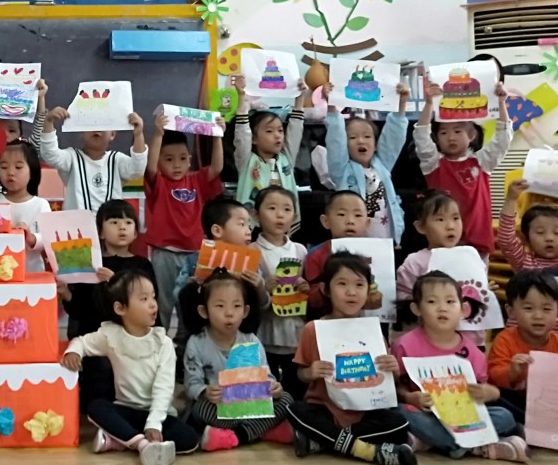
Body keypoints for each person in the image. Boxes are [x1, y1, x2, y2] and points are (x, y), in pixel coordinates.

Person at [287, 254, 417, 465]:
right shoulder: (313, 329)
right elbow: (300, 374)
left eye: (359, 284)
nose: (351, 292)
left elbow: (388, 381)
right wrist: (310, 372)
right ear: (326, 289)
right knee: (295, 410)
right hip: (325, 409)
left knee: (399, 422)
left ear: (368, 290)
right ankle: (370, 451)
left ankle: (323, 441)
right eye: (342, 284)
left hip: (365, 411)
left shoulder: (373, 330)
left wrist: (393, 369)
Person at [61, 269, 197, 465]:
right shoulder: (110, 335)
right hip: (126, 410)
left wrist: (154, 424)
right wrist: (73, 352)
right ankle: (142, 445)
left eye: (153, 297)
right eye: (144, 299)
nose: (153, 304)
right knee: (96, 407)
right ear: (120, 308)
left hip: (158, 414)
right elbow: (82, 342)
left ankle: (120, 440)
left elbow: (164, 388)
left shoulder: (163, 343)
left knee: (189, 439)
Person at [393, 271, 527, 462]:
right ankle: (476, 446)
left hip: (463, 417)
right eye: (432, 302)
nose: (442, 308)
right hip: (426, 413)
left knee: (505, 416)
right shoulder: (403, 345)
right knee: (400, 412)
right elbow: (395, 388)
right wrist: (410, 397)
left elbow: (484, 391)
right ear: (416, 308)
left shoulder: (473, 353)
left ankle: (435, 442)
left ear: (463, 309)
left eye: (450, 302)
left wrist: (490, 393)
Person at [60, 200, 159, 412]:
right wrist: (66, 293)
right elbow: (79, 310)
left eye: (128, 222)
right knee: (97, 383)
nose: (122, 227)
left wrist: (117, 283)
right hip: (97, 340)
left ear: (135, 232)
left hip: (132, 339)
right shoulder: (90, 265)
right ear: (100, 232)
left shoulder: (142, 265)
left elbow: (149, 305)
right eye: (114, 222)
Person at [183, 269, 293, 452]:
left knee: (286, 399)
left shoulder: (250, 340)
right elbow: (191, 384)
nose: (229, 313)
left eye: (236, 306)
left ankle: (236, 436)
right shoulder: (197, 343)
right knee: (200, 410)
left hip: (250, 404)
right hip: (218, 406)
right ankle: (261, 430)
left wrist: (274, 387)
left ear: (245, 311)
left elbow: (266, 375)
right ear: (204, 311)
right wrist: (205, 392)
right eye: (220, 306)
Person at [413, 78, 510, 256]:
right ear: (436, 138)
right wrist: (429, 104)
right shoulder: (433, 164)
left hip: (478, 244)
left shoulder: (482, 162)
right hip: (441, 244)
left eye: (457, 131)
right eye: (443, 132)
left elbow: (502, 141)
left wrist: (501, 104)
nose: (451, 137)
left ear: (472, 135)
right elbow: (421, 137)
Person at [144, 110, 223, 329]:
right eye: (169, 160)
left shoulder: (197, 180)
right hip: (165, 253)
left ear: (190, 160)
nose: (176, 165)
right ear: (160, 162)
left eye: (182, 159)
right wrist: (158, 135)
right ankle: (160, 338)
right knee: (163, 301)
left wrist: (217, 136)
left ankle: (185, 341)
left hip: (195, 254)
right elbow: (150, 167)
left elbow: (217, 167)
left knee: (190, 303)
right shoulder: (158, 183)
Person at [498, 178, 558, 351]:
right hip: (529, 341)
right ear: (526, 239)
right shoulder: (524, 262)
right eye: (540, 232)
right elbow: (506, 239)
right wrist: (511, 199)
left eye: (557, 232)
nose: (549, 238)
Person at [395, 191, 486, 348]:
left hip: (471, 341)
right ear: (420, 227)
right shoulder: (415, 262)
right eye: (440, 219)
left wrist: (486, 291)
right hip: (430, 343)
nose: (450, 226)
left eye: (455, 218)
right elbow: (404, 303)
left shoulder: (471, 255)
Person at [323, 82, 410, 243]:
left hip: (386, 240)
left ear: (376, 144)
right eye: (353, 137)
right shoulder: (342, 169)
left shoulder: (382, 165)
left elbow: (394, 137)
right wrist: (332, 105)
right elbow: (335, 139)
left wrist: (401, 104)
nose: (361, 141)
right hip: (353, 242)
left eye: (367, 136)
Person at [488, 271, 558, 423]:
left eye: (546, 309)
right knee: (498, 400)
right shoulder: (504, 339)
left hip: (553, 404)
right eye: (528, 308)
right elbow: (493, 375)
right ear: (511, 311)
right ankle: (520, 426)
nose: (538, 316)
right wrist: (512, 371)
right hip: (517, 402)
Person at [38, 103, 147, 213]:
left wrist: (138, 135)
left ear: (112, 134)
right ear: (81, 132)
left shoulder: (116, 160)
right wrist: (48, 121)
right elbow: (50, 155)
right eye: (91, 124)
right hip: (77, 222)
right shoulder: (71, 158)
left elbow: (137, 169)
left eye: (103, 124)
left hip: (109, 222)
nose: (97, 128)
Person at [253, 186, 308, 400]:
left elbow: (308, 292)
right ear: (256, 215)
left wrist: (305, 287)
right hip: (267, 328)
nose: (280, 215)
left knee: (296, 385)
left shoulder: (300, 250)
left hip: (295, 330)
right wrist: (263, 286)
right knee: (270, 385)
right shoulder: (252, 251)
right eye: (272, 208)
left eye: (287, 209)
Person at [173, 197, 254, 328]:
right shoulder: (193, 261)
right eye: (241, 224)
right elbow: (177, 296)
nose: (248, 231)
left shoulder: (250, 262)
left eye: (249, 226)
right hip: (200, 332)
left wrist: (259, 286)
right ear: (217, 231)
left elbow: (260, 304)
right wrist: (189, 286)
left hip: (239, 333)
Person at [232, 76, 306, 213]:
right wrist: (241, 97)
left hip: (284, 222)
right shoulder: (246, 161)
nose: (277, 135)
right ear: (254, 138)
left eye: (280, 130)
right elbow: (242, 133)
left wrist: (300, 98)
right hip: (253, 222)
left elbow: (295, 130)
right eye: (269, 131)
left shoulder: (286, 159)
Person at [302, 191, 369, 317]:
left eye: (358, 215)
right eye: (341, 214)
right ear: (325, 221)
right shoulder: (316, 255)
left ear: (367, 223)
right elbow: (312, 298)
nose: (350, 221)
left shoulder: (378, 253)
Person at [0, 79, 48, 185]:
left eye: (12, 130)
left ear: (20, 135)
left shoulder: (25, 151)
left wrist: (40, 97)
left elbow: (40, 131)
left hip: (19, 196)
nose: (4, 134)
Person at [0, 140, 51, 273]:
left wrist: (31, 238)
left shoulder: (41, 205)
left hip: (32, 273)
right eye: (4, 167)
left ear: (32, 170)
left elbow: (49, 239)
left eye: (18, 167)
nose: (10, 172)